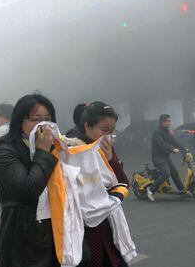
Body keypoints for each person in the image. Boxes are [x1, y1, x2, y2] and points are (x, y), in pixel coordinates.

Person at [0, 94, 59, 267]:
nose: (43, 125)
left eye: (48, 119)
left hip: (55, 232)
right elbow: (28, 187)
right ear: (20, 121)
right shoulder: (4, 151)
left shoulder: (56, 147)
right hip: (23, 237)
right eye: (36, 119)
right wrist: (43, 151)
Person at [66, 101, 130, 267]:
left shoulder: (105, 147)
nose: (109, 136)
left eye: (113, 130)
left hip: (109, 225)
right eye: (104, 131)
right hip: (84, 230)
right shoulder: (71, 151)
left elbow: (123, 183)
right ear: (87, 127)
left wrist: (111, 160)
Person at [147, 114, 189, 202]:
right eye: (168, 121)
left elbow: (173, 141)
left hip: (165, 157)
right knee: (166, 174)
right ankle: (150, 190)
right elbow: (162, 144)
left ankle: (182, 191)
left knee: (175, 173)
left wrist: (183, 149)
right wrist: (173, 149)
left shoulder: (165, 131)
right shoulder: (157, 132)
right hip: (158, 158)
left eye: (170, 121)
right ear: (163, 122)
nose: (170, 123)